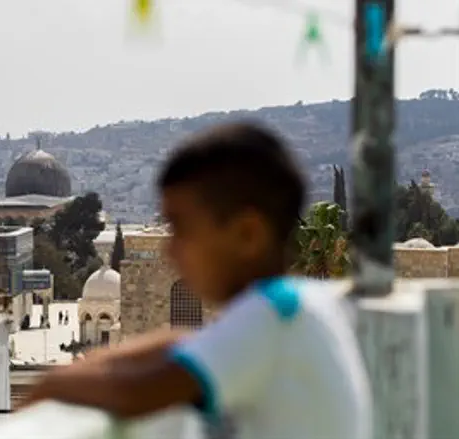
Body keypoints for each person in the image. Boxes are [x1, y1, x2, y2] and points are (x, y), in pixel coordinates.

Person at [23, 122, 372, 439]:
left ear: (247, 234)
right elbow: (186, 342)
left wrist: (50, 386)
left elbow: (135, 392)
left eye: (181, 229)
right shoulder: (298, 306)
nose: (170, 251)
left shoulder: (269, 320)